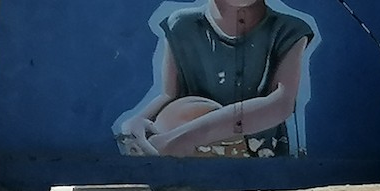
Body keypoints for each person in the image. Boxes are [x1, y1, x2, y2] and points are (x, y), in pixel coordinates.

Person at [116, 0, 314, 158]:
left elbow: (280, 103)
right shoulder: (181, 26)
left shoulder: (289, 30)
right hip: (185, 159)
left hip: (259, 157)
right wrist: (137, 123)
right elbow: (169, 94)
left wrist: (184, 138)